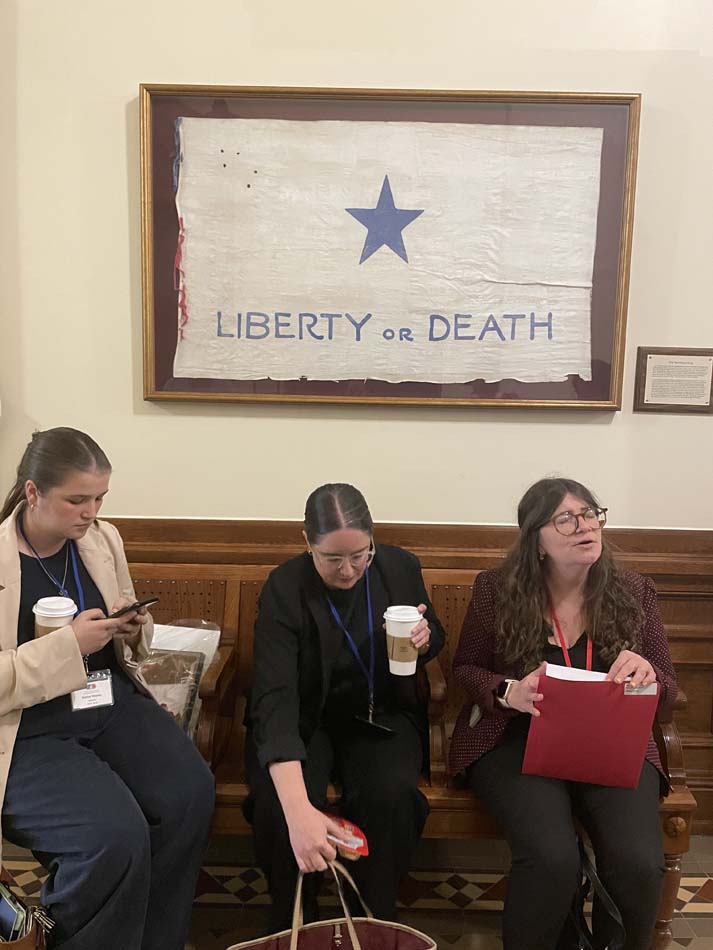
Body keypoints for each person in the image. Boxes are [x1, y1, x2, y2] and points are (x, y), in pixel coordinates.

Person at [0, 427, 215, 950]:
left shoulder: (102, 540)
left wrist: (132, 625)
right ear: (33, 493)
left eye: (99, 498)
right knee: (111, 837)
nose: (89, 513)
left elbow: (129, 646)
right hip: (27, 729)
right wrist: (70, 644)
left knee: (188, 794)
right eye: (76, 500)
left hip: (107, 702)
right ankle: (71, 939)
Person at [449, 477, 676, 950]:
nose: (584, 527)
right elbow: (465, 670)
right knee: (551, 858)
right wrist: (508, 691)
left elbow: (669, 689)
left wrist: (649, 673)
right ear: (537, 539)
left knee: (637, 860)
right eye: (566, 519)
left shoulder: (634, 590)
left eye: (590, 514)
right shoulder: (497, 589)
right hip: (519, 739)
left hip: (612, 742)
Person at [246, 483, 445, 931]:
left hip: (380, 716)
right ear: (307, 543)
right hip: (302, 719)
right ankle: (295, 928)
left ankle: (372, 925)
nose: (349, 569)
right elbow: (273, 697)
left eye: (360, 554)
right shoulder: (285, 585)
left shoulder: (398, 566)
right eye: (332, 559)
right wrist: (299, 812)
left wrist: (426, 636)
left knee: (389, 797)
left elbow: (432, 630)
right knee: (282, 808)